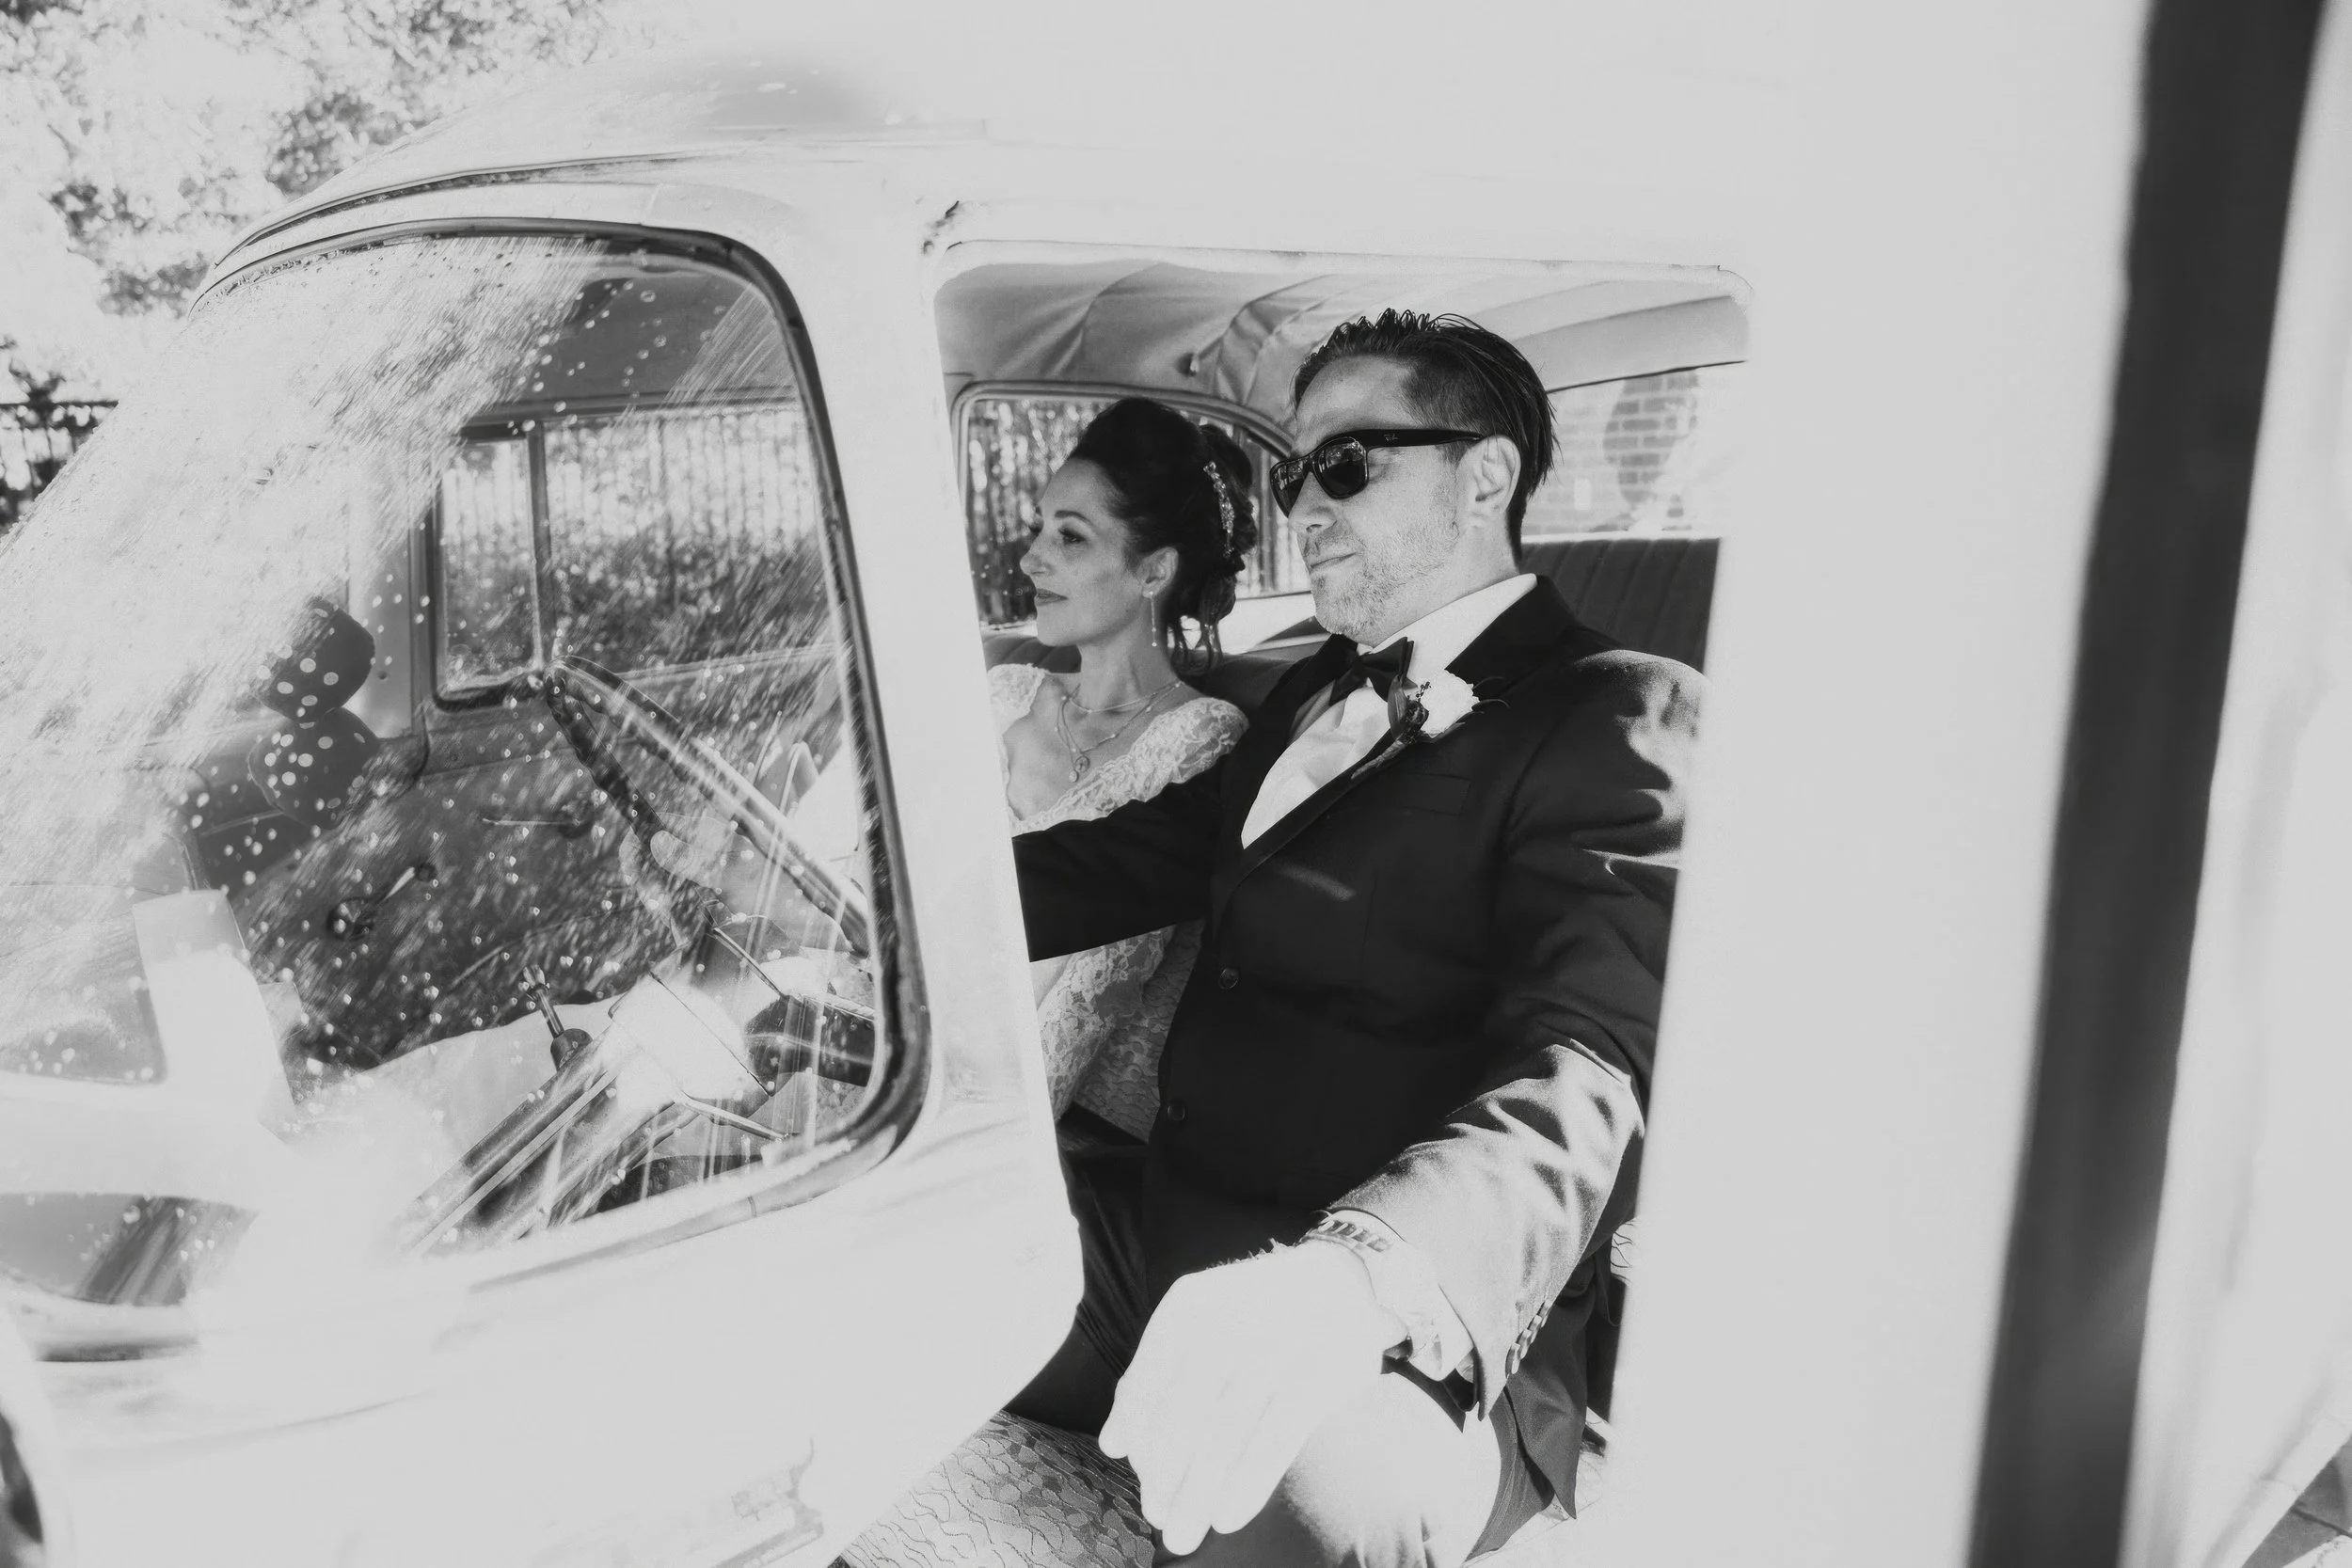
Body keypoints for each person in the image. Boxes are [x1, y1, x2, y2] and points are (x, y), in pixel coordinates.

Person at [1004, 310, 1706, 1566]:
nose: (1305, 507)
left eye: (1348, 463)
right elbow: (1121, 863)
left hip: (1402, 1329)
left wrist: (1356, 1275)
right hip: (1163, 1243)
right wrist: (882, 908)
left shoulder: (1619, 710)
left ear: (1483, 474)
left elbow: (1587, 1065)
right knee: (866, 1235)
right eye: (1293, 473)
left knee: (1286, 1502)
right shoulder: (1303, 697)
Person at [839, 398, 1254, 1568]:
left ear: (1154, 567)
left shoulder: (1199, 745)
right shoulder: (999, 697)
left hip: (1028, 1137)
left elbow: (1060, 1022)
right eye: (1036, 527)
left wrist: (859, 1094)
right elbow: (859, 879)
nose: (1027, 555)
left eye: (1069, 535)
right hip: (893, 1055)